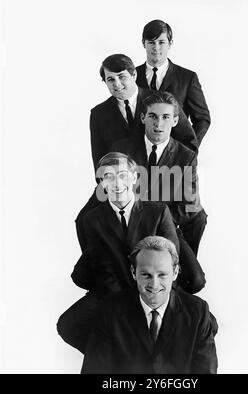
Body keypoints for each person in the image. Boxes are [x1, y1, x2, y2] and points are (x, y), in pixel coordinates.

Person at [57, 153, 205, 353]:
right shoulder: (93, 220)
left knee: (204, 324)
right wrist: (124, 307)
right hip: (116, 286)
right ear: (101, 183)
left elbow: (169, 259)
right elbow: (104, 269)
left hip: (154, 283)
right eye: (108, 176)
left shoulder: (158, 211)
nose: (117, 183)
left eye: (123, 175)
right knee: (68, 324)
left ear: (135, 178)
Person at [76, 53, 198, 252]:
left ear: (134, 75)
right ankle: (103, 264)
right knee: (84, 219)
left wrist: (170, 176)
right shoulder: (99, 114)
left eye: (122, 77)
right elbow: (99, 160)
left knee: (195, 215)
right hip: (122, 182)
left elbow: (188, 142)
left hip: (164, 177)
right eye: (110, 79)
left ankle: (176, 267)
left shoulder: (157, 101)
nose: (117, 84)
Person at [81, 236, 218, 374]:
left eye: (162, 275)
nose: (154, 284)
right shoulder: (109, 311)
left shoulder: (198, 311)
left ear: (175, 273)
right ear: (134, 273)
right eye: (146, 275)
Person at [113, 91, 207, 256]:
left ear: (175, 120)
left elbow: (189, 205)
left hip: (167, 223)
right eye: (153, 116)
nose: (159, 124)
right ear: (143, 118)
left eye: (166, 117)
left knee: (197, 280)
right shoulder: (122, 150)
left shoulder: (186, 156)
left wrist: (158, 220)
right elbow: (112, 192)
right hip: (129, 221)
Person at [136, 19, 211, 146]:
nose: (156, 48)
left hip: (175, 157)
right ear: (144, 43)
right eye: (151, 42)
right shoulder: (131, 77)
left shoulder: (187, 78)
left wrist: (189, 149)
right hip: (138, 156)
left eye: (161, 42)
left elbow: (202, 119)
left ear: (170, 44)